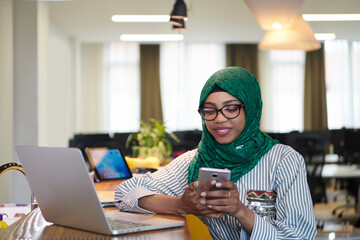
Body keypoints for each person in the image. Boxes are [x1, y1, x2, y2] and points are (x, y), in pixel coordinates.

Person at [115, 66, 316, 239]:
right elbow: (124, 192)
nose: (219, 119)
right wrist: (181, 205)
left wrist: (240, 211)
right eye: (209, 110)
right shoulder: (195, 162)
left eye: (230, 108)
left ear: (251, 109)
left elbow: (300, 236)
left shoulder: (283, 160)